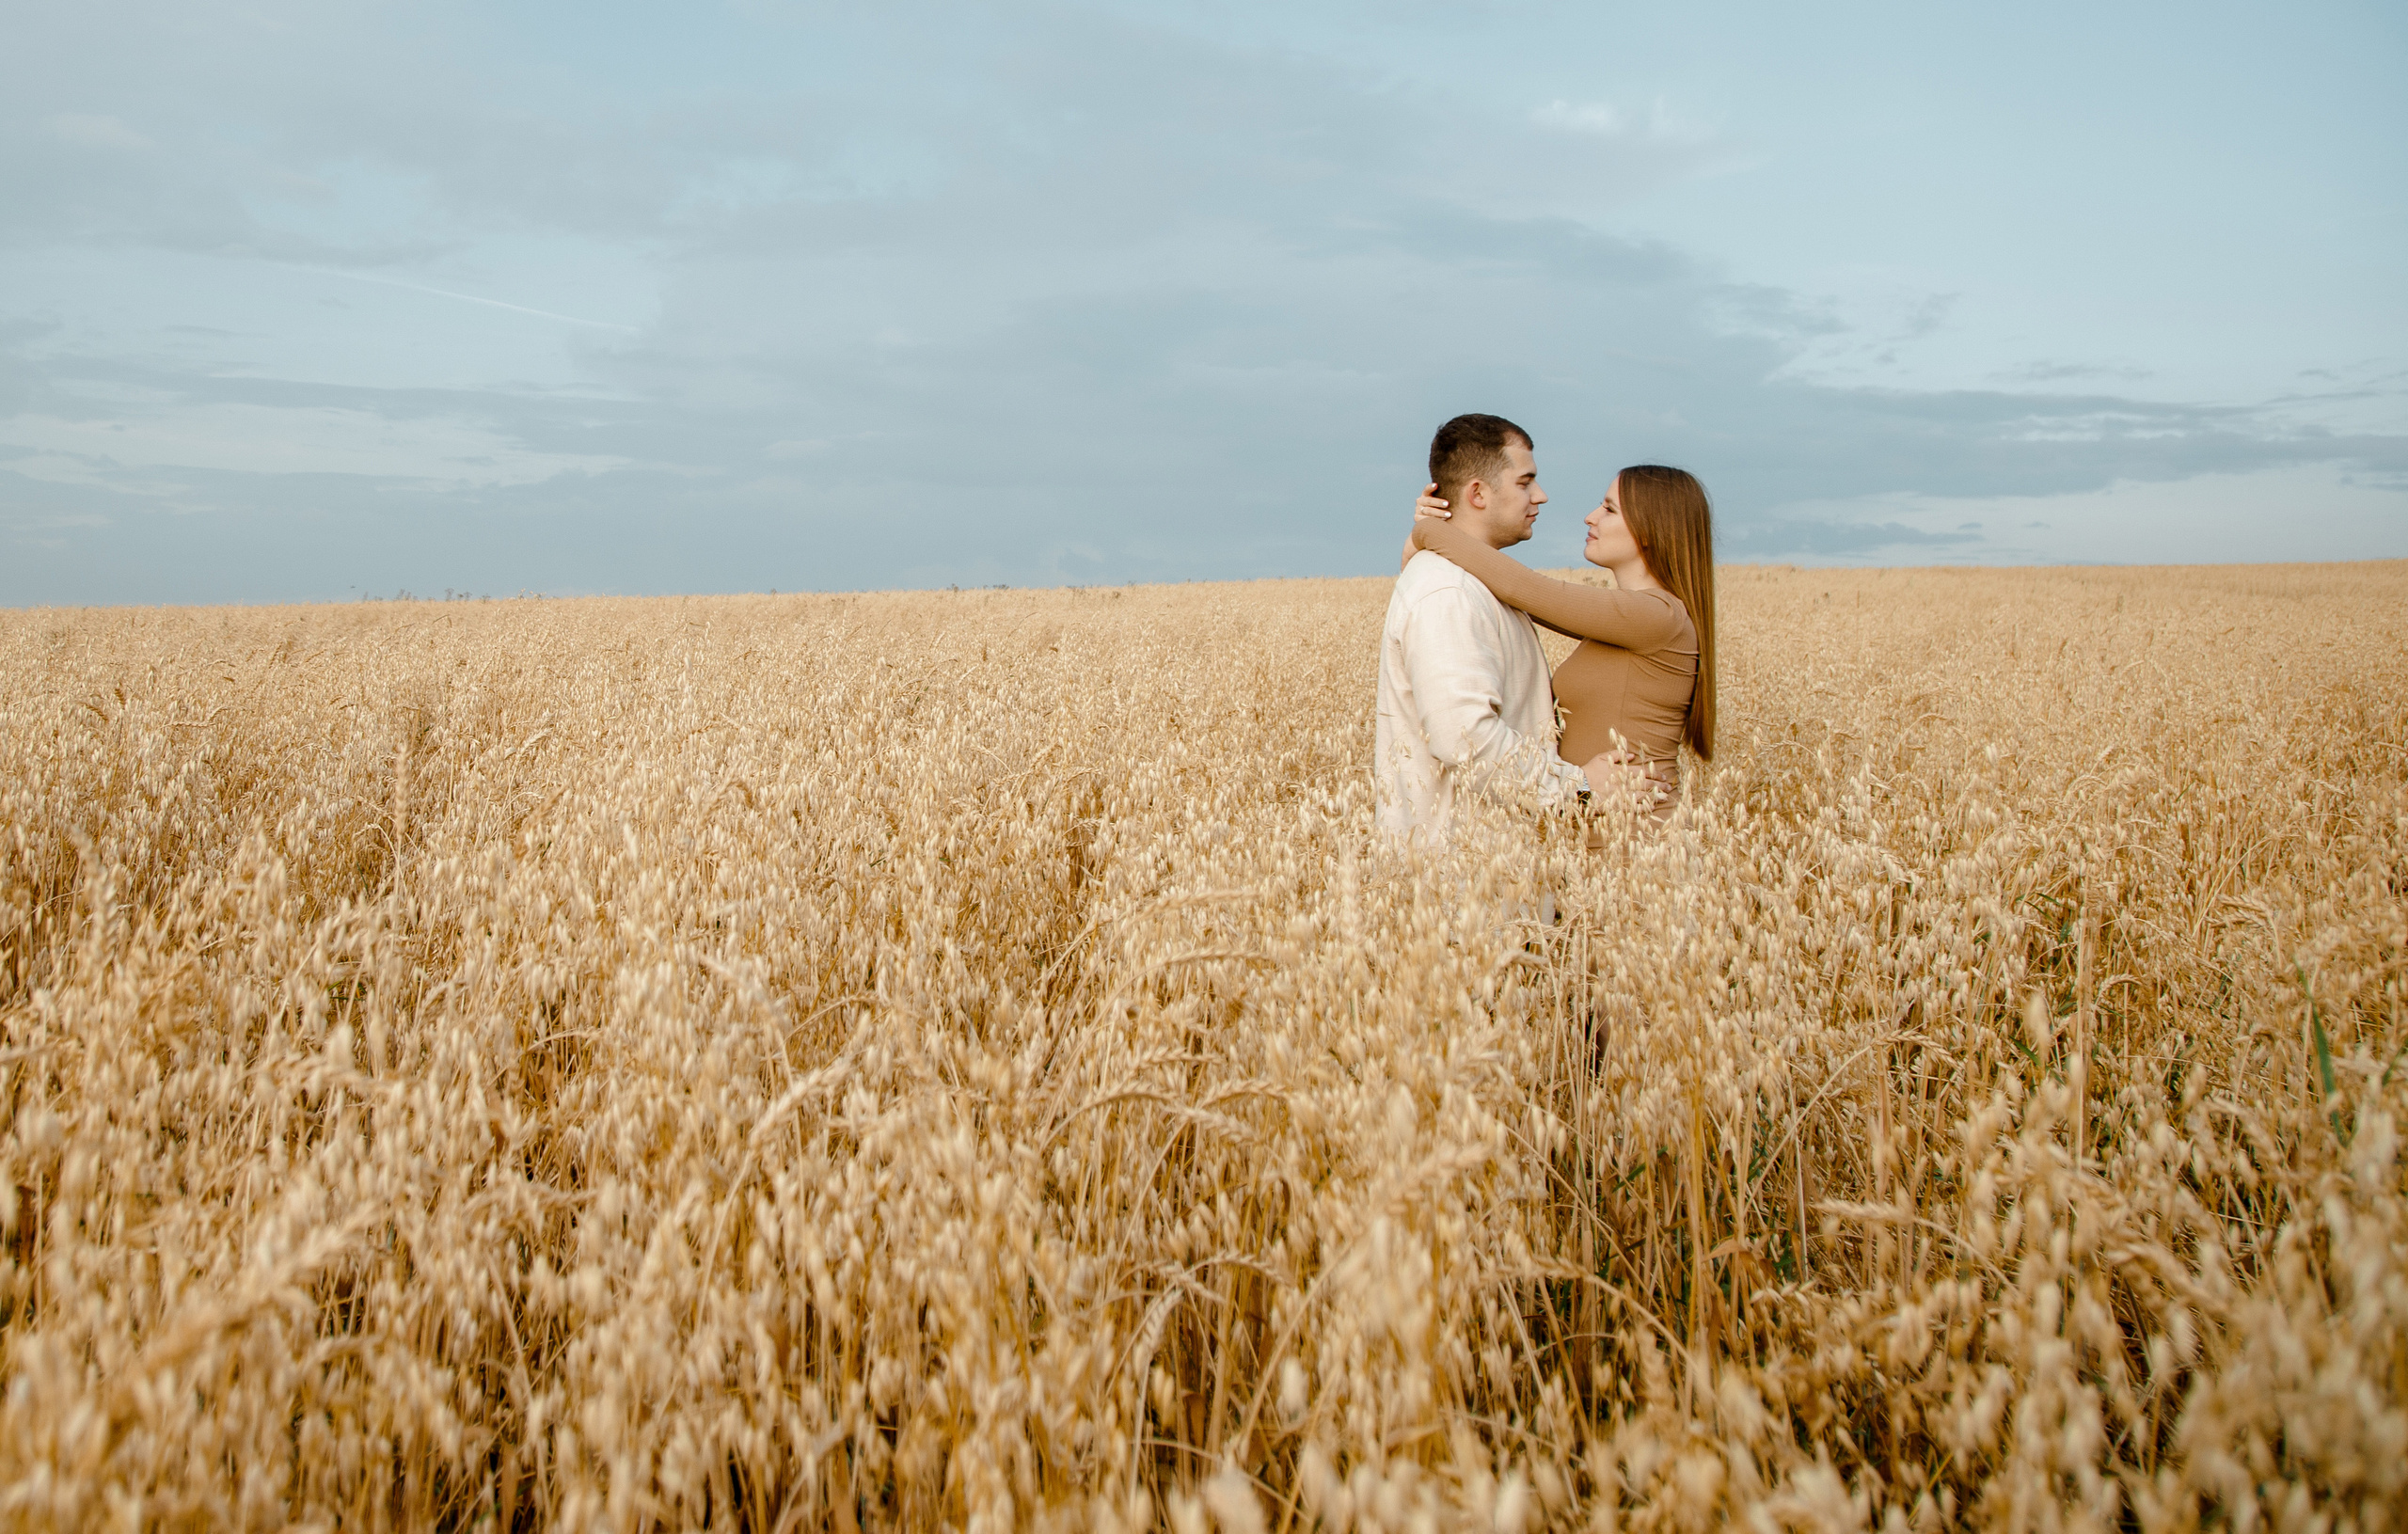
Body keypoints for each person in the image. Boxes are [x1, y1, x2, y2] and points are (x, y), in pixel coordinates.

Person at [1375, 415, 1659, 843]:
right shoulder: (1449, 591)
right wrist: (1577, 788)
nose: (1540, 496)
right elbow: (1463, 739)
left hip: (1496, 875)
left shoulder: (1477, 585)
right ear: (1478, 493)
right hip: (1461, 882)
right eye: (1525, 482)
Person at [1405, 464, 1716, 820]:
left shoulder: (1658, 616)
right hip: (1600, 833)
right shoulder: (1632, 620)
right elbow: (1512, 597)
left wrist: (1425, 530)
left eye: (1609, 509)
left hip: (1637, 839)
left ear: (1650, 530)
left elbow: (1525, 590)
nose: (1590, 517)